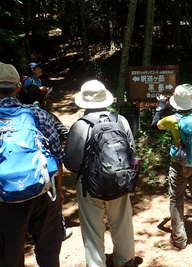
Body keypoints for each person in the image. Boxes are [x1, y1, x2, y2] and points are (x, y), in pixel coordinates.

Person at [64, 80, 138, 267]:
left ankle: (97, 263)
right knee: (122, 221)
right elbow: (132, 151)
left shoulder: (80, 126)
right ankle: (125, 259)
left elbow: (72, 163)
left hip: (90, 185)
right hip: (120, 179)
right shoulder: (120, 120)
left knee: (92, 228)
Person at [0, 62, 65, 266]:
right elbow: (57, 158)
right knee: (48, 251)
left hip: (4, 201)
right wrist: (59, 192)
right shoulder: (39, 115)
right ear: (18, 86)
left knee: (8, 255)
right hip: (43, 192)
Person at [152, 84, 192, 249]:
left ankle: (179, 239)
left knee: (176, 199)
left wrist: (161, 107)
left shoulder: (172, 120)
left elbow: (155, 125)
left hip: (179, 164)